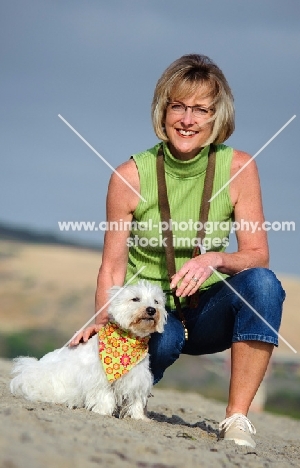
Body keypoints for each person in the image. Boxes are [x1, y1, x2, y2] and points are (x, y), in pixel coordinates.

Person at [70, 54, 285, 448]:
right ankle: (126, 389)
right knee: (154, 354)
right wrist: (102, 325)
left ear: (217, 117)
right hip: (148, 318)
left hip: (207, 313)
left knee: (264, 285)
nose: (188, 120)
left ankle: (236, 419)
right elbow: (112, 268)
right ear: (163, 111)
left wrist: (214, 259)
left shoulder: (240, 168)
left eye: (201, 109)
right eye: (178, 106)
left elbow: (256, 254)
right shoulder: (128, 176)